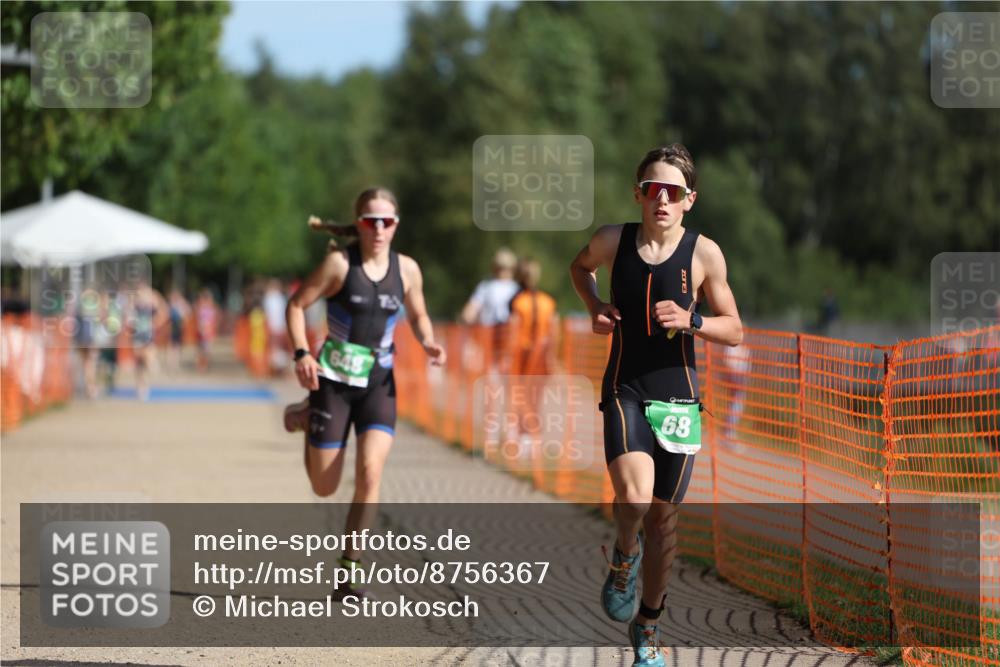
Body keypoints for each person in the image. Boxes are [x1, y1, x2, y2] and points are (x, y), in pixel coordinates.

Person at [569, 144, 742, 666]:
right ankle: (624, 556)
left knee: (663, 521)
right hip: (626, 386)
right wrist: (595, 306)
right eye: (652, 189)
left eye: (672, 192)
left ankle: (649, 626)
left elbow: (734, 329)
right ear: (638, 194)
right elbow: (579, 269)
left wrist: (692, 321)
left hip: (680, 399)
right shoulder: (611, 240)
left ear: (689, 200)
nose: (660, 199)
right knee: (636, 498)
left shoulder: (704, 253)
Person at [282, 187, 446, 599]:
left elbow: (419, 312)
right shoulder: (339, 264)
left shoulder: (407, 269)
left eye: (386, 221)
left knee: (371, 473)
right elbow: (297, 305)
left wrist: (427, 340)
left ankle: (350, 571)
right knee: (324, 486)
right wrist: (302, 352)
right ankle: (307, 414)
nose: (378, 229)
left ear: (396, 226)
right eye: (370, 221)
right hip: (333, 383)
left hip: (378, 383)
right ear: (358, 223)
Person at [128, 282, 169, 401]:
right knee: (138, 363)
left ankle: (150, 371)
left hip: (147, 335)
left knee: (148, 358)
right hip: (137, 335)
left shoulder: (152, 302)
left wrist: (155, 323)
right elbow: (129, 316)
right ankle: (141, 387)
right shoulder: (134, 302)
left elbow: (164, 312)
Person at [194, 288, 220, 372]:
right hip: (203, 333)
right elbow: (201, 321)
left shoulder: (211, 308)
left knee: (206, 350)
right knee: (202, 350)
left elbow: (213, 321)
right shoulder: (201, 308)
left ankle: (204, 365)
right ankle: (201, 366)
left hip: (208, 332)